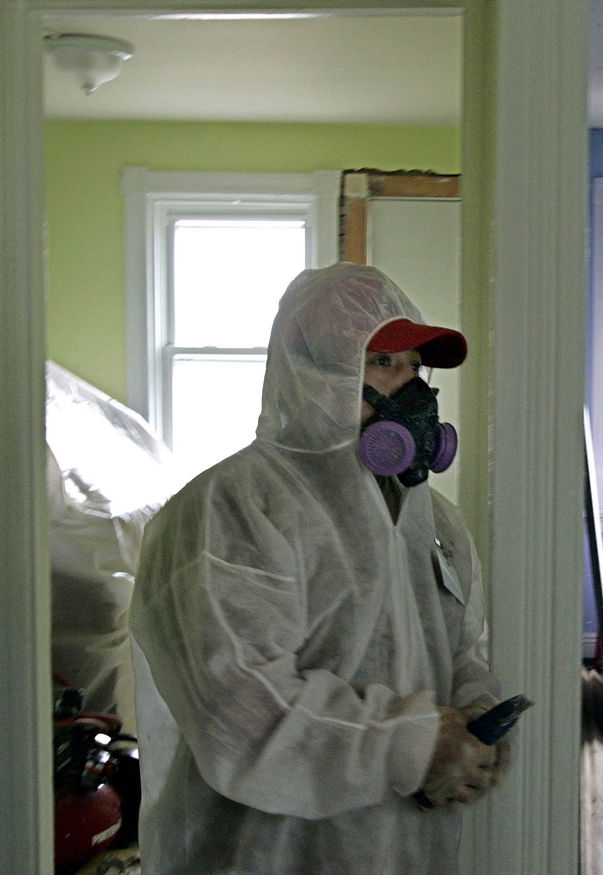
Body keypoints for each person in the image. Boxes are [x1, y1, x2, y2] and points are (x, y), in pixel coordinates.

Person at [130, 262, 507, 873]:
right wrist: (411, 745)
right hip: (262, 854)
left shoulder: (434, 519)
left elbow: (462, 651)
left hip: (409, 849)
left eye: (414, 365)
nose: (412, 389)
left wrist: (473, 728)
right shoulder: (229, 511)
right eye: (382, 363)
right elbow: (238, 710)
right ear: (311, 376)